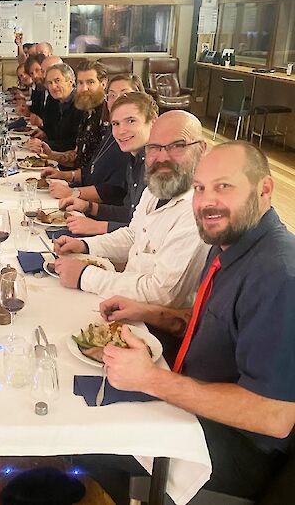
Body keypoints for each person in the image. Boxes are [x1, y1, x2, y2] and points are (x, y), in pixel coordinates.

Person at [77, 141, 295, 505]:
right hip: (191, 389)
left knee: (86, 434)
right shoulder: (228, 242)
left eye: (224, 186)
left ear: (265, 189)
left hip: (236, 448)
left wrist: (150, 379)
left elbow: (274, 416)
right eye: (200, 188)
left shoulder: (278, 275)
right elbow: (209, 325)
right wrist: (148, 312)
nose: (207, 201)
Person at [54, 107, 210, 308]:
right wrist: (85, 246)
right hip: (123, 303)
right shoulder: (157, 188)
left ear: (201, 149)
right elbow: (132, 236)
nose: (162, 157)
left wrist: (85, 276)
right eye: (154, 147)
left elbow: (163, 294)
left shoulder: (197, 211)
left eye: (177, 145)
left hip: (152, 329)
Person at [59, 75, 149, 236]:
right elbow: (130, 213)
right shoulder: (127, 151)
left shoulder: (154, 163)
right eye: (112, 95)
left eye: (131, 121)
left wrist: (96, 226)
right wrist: (88, 207)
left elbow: (145, 231)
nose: (121, 130)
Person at [34, 62, 126, 207]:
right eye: (81, 83)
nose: (84, 89)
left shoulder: (110, 122)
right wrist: (55, 160)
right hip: (82, 188)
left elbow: (113, 187)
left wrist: (73, 192)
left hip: (97, 203)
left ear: (103, 84)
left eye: (90, 82)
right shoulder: (88, 112)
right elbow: (82, 159)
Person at [29, 63, 83, 170]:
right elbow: (52, 129)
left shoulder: (80, 105)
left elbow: (72, 143)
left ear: (70, 82)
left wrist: (44, 144)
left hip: (70, 166)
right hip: (55, 159)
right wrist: (44, 133)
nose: (53, 86)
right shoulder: (53, 100)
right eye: (50, 82)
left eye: (57, 81)